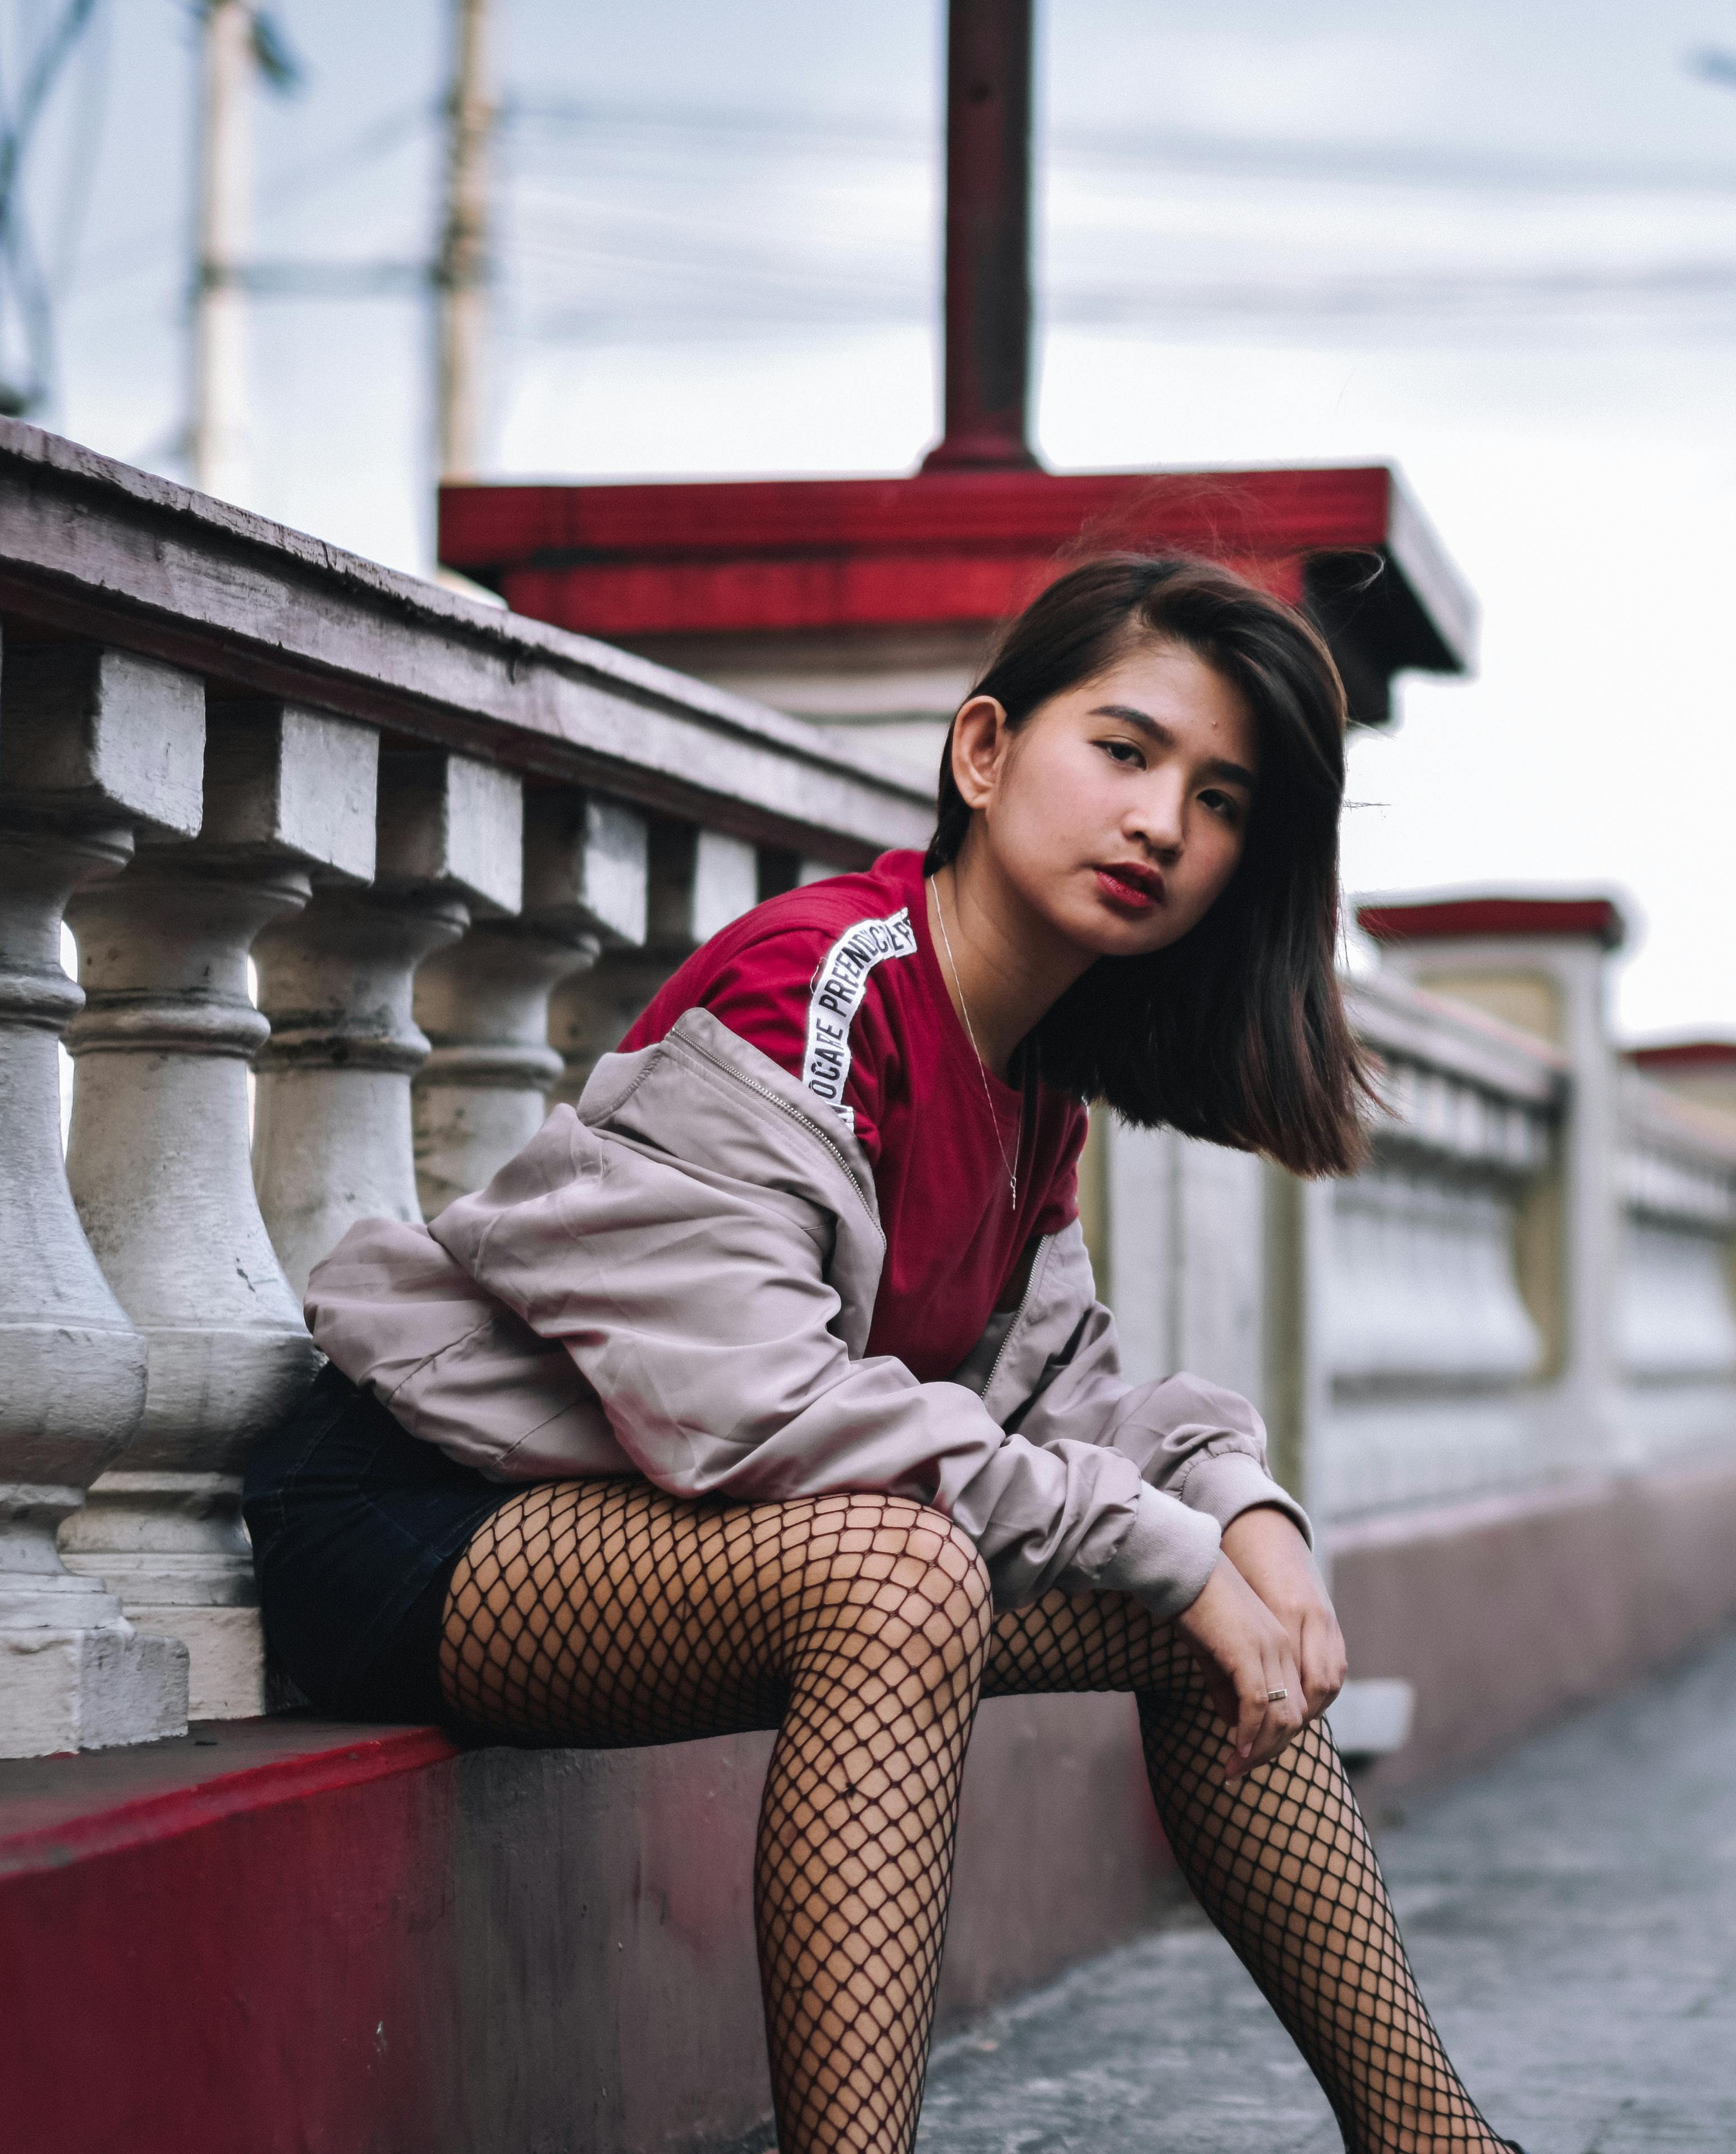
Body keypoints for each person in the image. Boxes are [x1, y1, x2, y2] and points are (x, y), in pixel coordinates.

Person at [247, 556, 1519, 2154]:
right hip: (416, 1515)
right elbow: (762, 1414)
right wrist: (1166, 1545)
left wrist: (1238, 1509)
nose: (1161, 825)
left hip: (649, 1532)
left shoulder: (1031, 1074)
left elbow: (1064, 1391)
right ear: (982, 755)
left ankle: (1436, 2144)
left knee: (1197, 1610)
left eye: (1218, 801)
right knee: (904, 1574)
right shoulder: (820, 988)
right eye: (1122, 753)